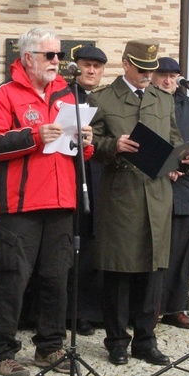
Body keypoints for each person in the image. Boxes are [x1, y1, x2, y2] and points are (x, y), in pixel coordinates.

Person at [0, 27, 94, 376]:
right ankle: (3, 351)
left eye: (59, 55)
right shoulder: (5, 95)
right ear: (28, 58)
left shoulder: (69, 95)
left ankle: (49, 345)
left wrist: (85, 141)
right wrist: (33, 135)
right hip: (22, 205)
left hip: (61, 202)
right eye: (50, 55)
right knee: (13, 279)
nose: (58, 61)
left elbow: (79, 154)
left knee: (56, 278)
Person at [89, 40, 189, 367]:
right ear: (125, 64)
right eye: (142, 69)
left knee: (153, 272)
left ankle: (146, 341)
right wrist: (111, 144)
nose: (148, 75)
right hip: (121, 194)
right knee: (119, 272)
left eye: (151, 70)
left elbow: (175, 139)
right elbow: (85, 139)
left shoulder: (164, 100)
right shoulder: (102, 98)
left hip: (157, 194)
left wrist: (185, 158)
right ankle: (117, 341)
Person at [151, 57, 189, 330]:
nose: (168, 80)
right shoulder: (146, 102)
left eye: (173, 76)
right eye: (163, 74)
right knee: (156, 251)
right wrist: (165, 164)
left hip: (185, 188)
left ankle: (176, 306)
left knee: (182, 253)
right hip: (155, 185)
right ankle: (151, 307)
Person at [69, 45, 108, 336]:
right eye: (86, 65)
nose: (91, 71)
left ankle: (87, 311)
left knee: (93, 250)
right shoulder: (63, 95)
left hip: (99, 181)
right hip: (69, 179)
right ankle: (66, 310)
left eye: (96, 66)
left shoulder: (105, 101)